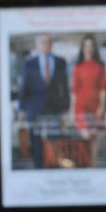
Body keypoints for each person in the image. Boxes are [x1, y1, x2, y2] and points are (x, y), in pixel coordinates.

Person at [18, 34, 70, 169]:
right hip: (35, 108)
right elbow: (25, 87)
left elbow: (64, 86)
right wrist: (22, 108)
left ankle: (53, 165)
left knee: (55, 137)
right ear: (37, 46)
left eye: (48, 42)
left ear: (51, 45)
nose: (45, 45)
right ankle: (39, 167)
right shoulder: (30, 63)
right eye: (42, 43)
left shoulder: (60, 62)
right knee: (36, 140)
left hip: (55, 107)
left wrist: (66, 107)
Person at [70, 34, 106, 168]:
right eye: (86, 46)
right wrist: (72, 110)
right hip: (81, 105)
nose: (88, 49)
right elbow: (74, 90)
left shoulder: (100, 66)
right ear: (82, 48)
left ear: (94, 48)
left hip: (96, 104)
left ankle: (93, 165)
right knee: (85, 135)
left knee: (95, 138)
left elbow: (103, 87)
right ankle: (85, 163)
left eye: (91, 46)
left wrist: (102, 106)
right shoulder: (78, 67)